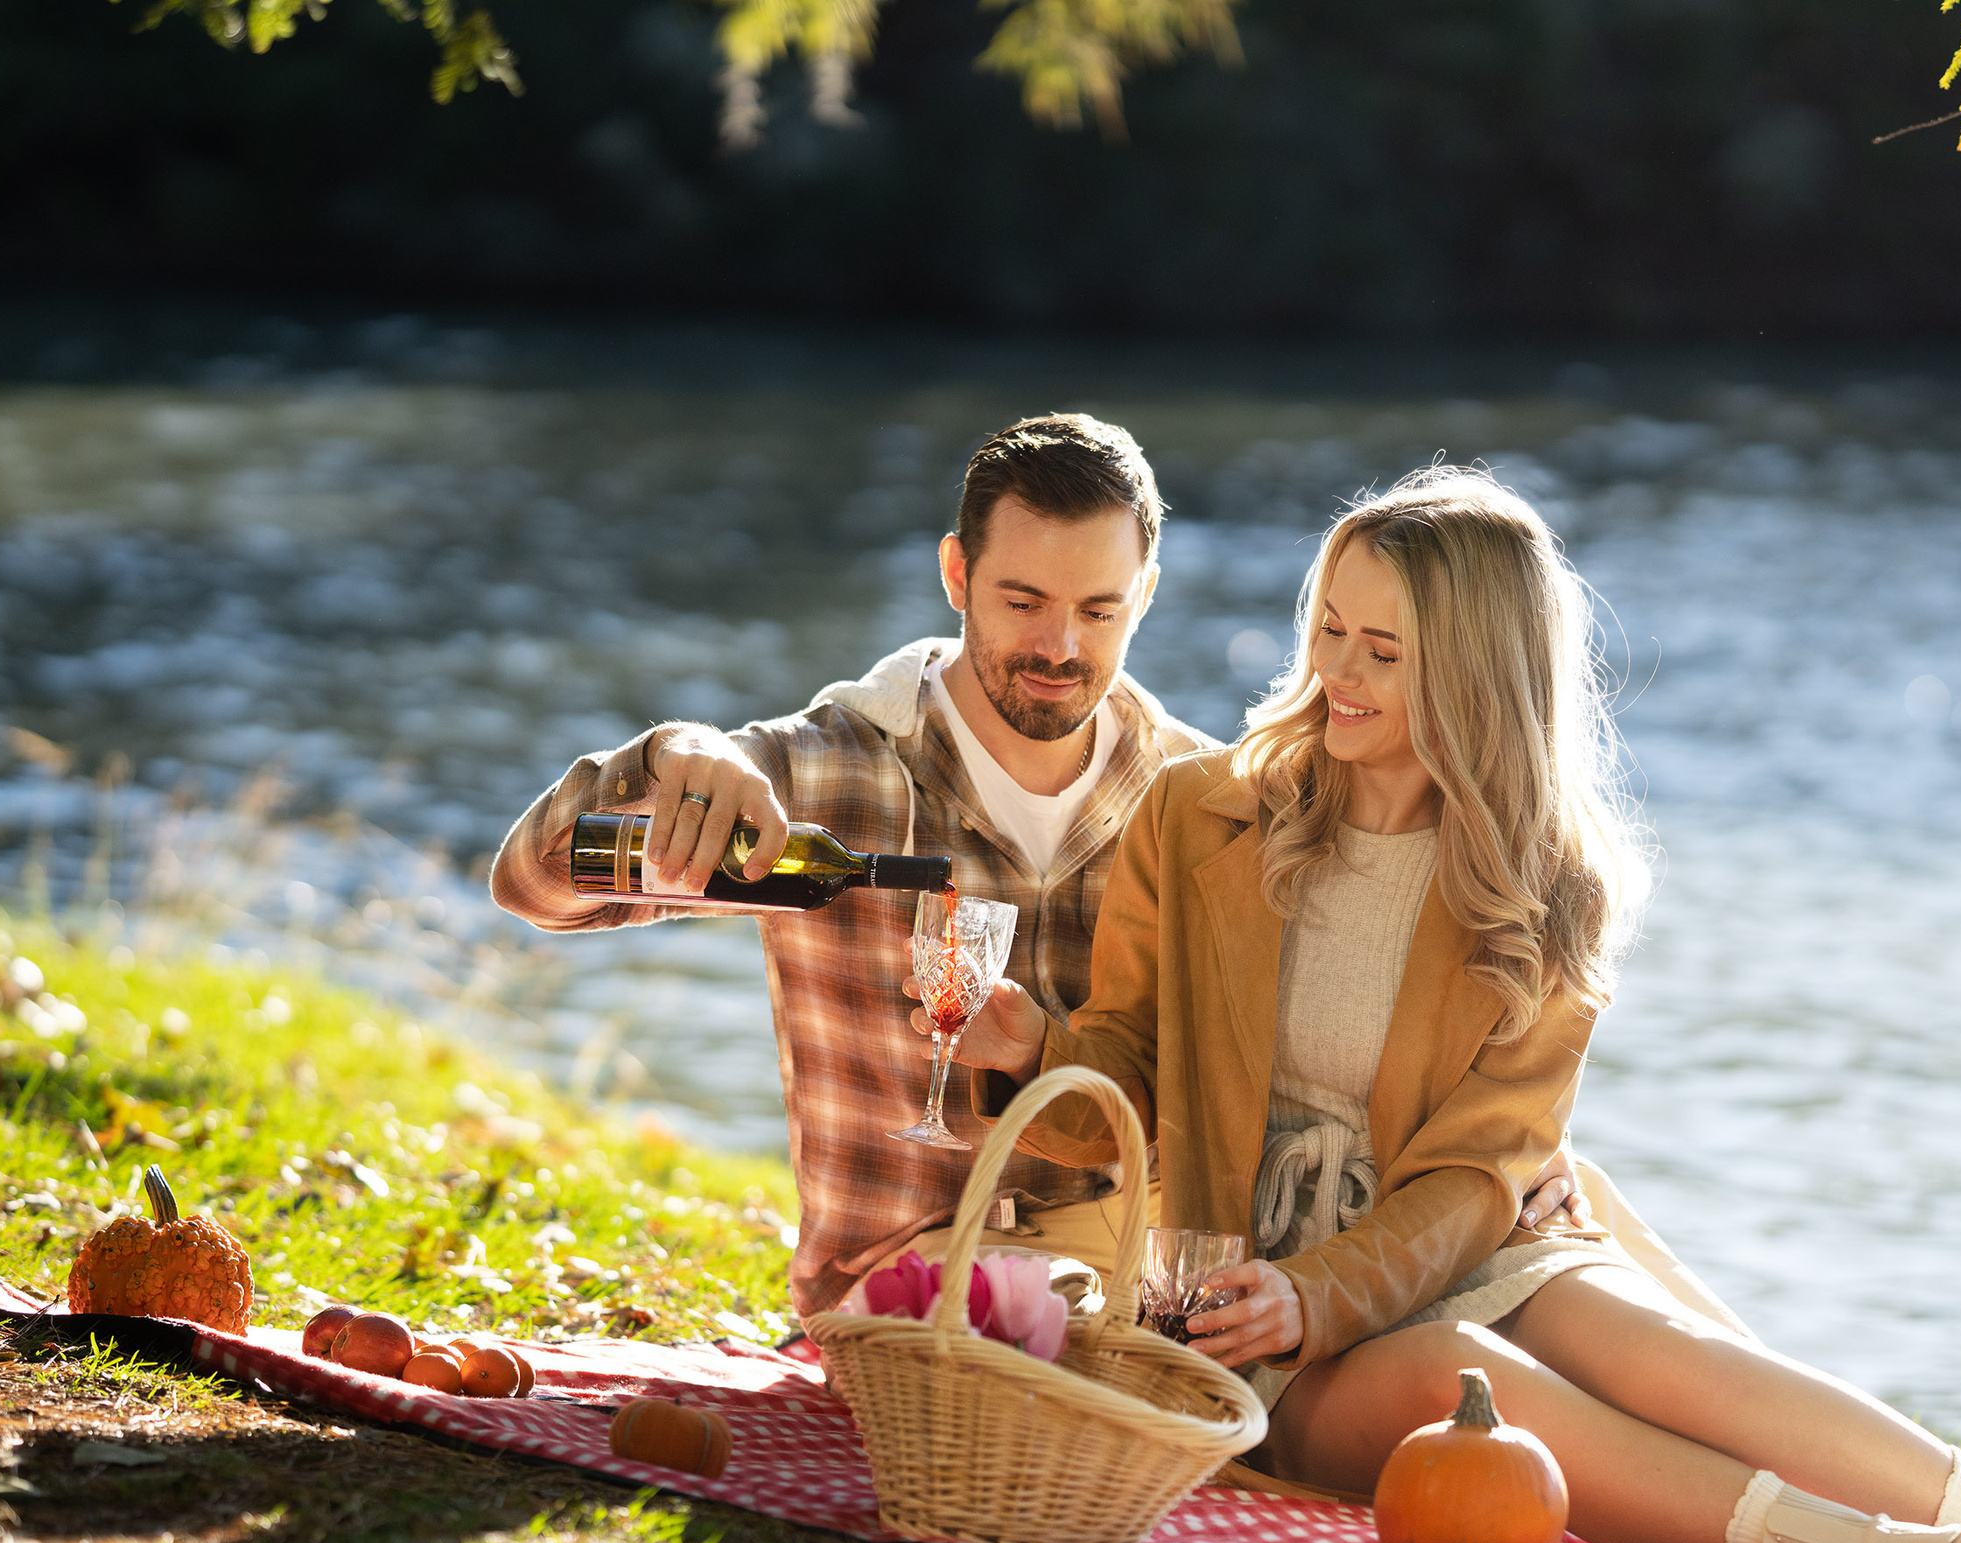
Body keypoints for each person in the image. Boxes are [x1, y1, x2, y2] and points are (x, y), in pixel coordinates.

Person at [936, 466, 1961, 1543]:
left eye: (1385, 651)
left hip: (1458, 1238)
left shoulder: (1544, 889)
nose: (1339, 671)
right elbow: (1126, 1070)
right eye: (1330, 631)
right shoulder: (1201, 815)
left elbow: (1478, 1177)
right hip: (1256, 1311)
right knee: (1454, 1381)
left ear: (1474, 675)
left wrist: (1332, 1284)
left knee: (1670, 1354)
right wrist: (1029, 1050)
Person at [495, 414, 1587, 1318]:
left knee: (1551, 1262)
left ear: (1145, 595)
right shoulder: (825, 777)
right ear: (956, 574)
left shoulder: (1206, 802)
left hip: (1152, 1259)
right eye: (1022, 603)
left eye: (1098, 610)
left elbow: (1322, 1033)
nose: (1060, 647)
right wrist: (672, 754)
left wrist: (1510, 1150)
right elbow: (535, 887)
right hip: (912, 1277)